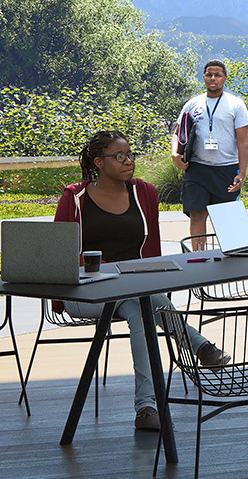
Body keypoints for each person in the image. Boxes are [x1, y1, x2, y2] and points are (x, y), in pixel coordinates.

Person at [54, 130, 226, 432]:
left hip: (134, 291)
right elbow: (60, 256)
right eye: (120, 156)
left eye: (131, 155)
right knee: (139, 299)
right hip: (84, 293)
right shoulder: (74, 198)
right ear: (99, 162)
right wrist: (109, 272)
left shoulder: (144, 193)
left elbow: (153, 250)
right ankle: (198, 346)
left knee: (139, 305)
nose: (128, 161)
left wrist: (153, 281)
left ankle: (147, 407)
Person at [170, 59, 248, 244]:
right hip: (197, 168)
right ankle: (199, 259)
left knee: (226, 218)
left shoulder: (236, 105)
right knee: (197, 214)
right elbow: (177, 132)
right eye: (209, 74)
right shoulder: (193, 104)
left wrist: (242, 172)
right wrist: (175, 154)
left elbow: (243, 141)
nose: (213, 78)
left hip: (226, 168)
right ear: (204, 77)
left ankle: (233, 259)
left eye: (217, 75)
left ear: (225, 78)